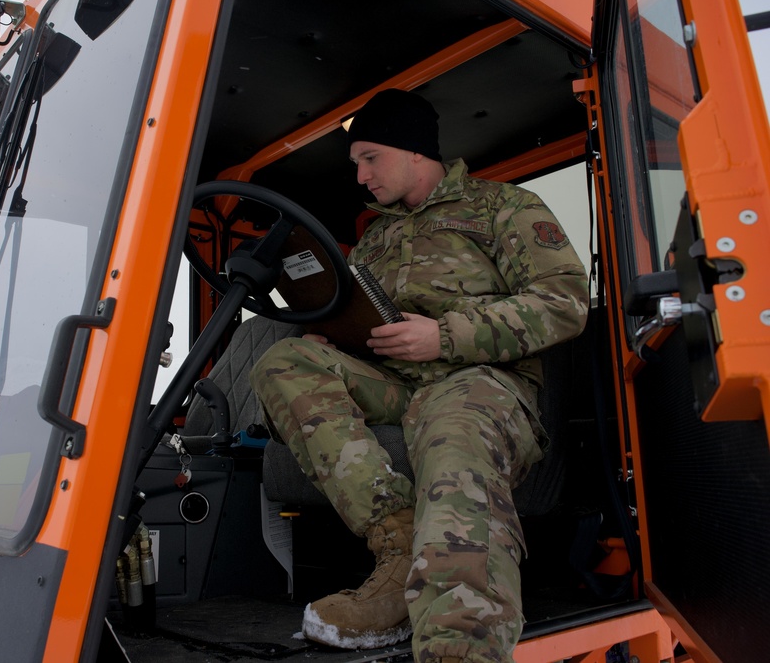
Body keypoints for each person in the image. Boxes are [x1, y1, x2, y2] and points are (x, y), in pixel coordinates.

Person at [249, 89, 589, 662]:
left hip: (477, 379)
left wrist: (444, 335)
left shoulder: (501, 208)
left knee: (455, 431)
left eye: (369, 158)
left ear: (413, 151)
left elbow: (564, 301)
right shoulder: (377, 237)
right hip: (393, 379)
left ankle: (460, 646)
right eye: (355, 163)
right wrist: (336, 335)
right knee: (285, 362)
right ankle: (398, 539)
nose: (359, 176)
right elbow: (365, 315)